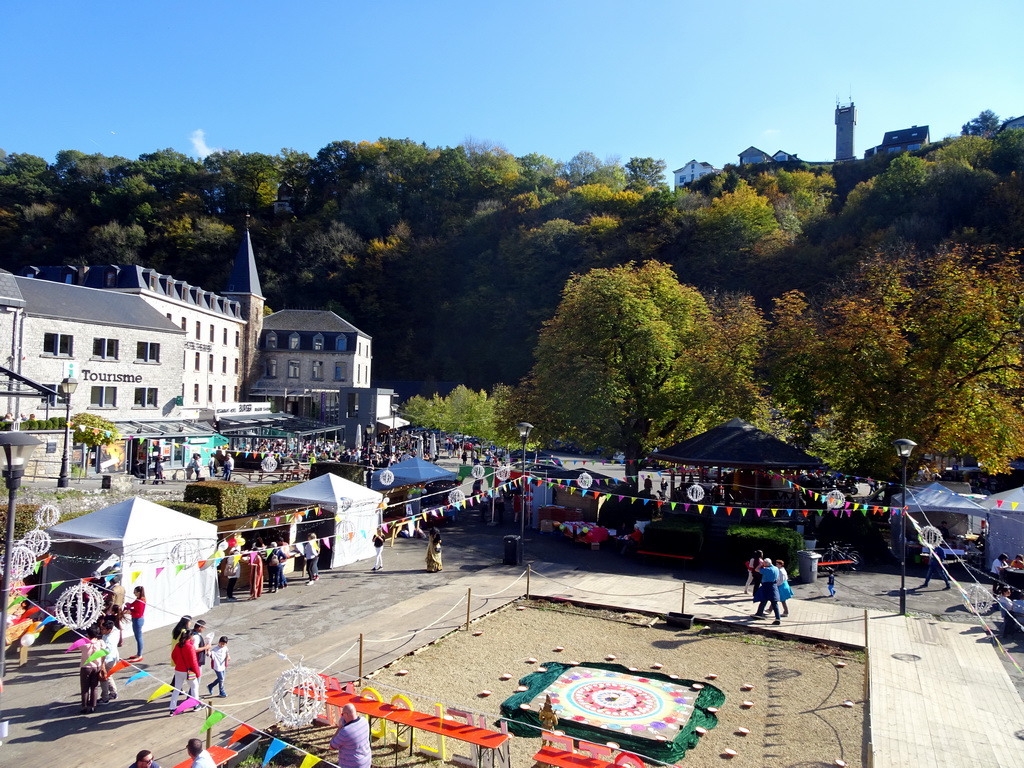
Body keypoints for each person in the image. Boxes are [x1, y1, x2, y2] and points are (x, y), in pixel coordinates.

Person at [328, 703, 372, 768]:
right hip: (366, 762)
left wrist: (340, 727)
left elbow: (331, 746)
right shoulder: (364, 721)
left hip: (352, 765)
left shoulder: (345, 731)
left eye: (342, 714)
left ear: (346, 714)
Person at [169, 631, 201, 715]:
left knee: (177, 689)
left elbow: (173, 656)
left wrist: (178, 664)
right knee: (194, 687)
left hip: (178, 670)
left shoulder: (178, 645)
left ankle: (172, 708)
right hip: (188, 671)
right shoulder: (190, 647)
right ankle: (196, 705)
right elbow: (193, 662)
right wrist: (197, 673)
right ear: (190, 637)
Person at [79, 626, 106, 714]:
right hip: (97, 666)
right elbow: (104, 653)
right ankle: (93, 706)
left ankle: (84, 706)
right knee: (94, 687)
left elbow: (77, 647)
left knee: (85, 688)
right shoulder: (100, 642)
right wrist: (102, 664)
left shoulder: (84, 643)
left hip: (86, 667)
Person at [752, 560, 782, 625]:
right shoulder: (775, 568)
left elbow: (756, 569)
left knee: (763, 599)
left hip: (766, 586)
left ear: (766, 563)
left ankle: (759, 614)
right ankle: (777, 618)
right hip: (774, 586)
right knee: (774, 602)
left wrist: (760, 565)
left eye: (764, 563)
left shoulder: (767, 570)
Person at [98, 619, 120, 704]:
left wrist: (102, 664)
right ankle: (113, 693)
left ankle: (105, 697)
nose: (101, 631)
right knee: (109, 676)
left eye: (103, 629)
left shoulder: (108, 641)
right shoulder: (115, 631)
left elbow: (105, 653)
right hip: (114, 657)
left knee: (103, 678)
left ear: (109, 630)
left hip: (108, 659)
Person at [123, 586, 147, 661]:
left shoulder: (140, 601)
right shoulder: (139, 599)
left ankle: (139, 655)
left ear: (139, 592)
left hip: (138, 619)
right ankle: (138, 653)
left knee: (139, 637)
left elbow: (137, 612)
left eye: (135, 592)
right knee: (137, 637)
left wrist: (129, 610)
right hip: (136, 619)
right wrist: (129, 606)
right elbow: (133, 605)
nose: (134, 593)